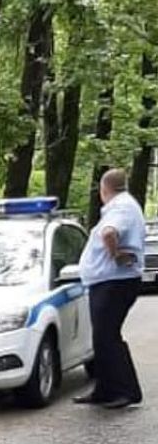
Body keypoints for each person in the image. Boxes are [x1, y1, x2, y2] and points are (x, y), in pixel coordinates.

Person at [74, 168, 145, 409]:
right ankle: (104, 389)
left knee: (108, 336)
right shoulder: (124, 205)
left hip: (114, 282)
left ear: (105, 190)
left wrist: (115, 254)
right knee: (101, 338)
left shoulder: (121, 207)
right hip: (110, 281)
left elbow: (109, 232)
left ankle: (127, 391)